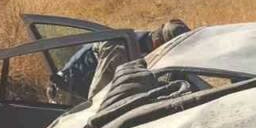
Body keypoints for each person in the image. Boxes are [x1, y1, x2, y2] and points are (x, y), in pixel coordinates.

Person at [49, 19, 191, 102]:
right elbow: (99, 95)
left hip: (81, 90)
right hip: (67, 93)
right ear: (159, 42)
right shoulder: (119, 48)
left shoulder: (141, 44)